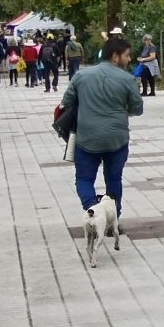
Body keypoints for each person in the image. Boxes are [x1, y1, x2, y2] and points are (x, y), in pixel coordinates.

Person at [60, 34, 145, 243]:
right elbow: (138, 108)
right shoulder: (127, 79)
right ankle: (112, 219)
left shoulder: (81, 76)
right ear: (115, 56)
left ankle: (93, 208)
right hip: (117, 139)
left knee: (84, 179)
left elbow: (66, 102)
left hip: (86, 139)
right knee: (114, 179)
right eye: (126, 56)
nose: (128, 59)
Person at [135, 33, 160, 98]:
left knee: (146, 77)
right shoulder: (145, 46)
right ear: (144, 40)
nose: (148, 41)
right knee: (148, 78)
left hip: (151, 64)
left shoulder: (151, 46)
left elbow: (153, 57)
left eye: (149, 39)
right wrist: (140, 58)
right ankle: (150, 92)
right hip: (146, 64)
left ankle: (146, 92)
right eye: (147, 40)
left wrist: (143, 59)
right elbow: (144, 55)